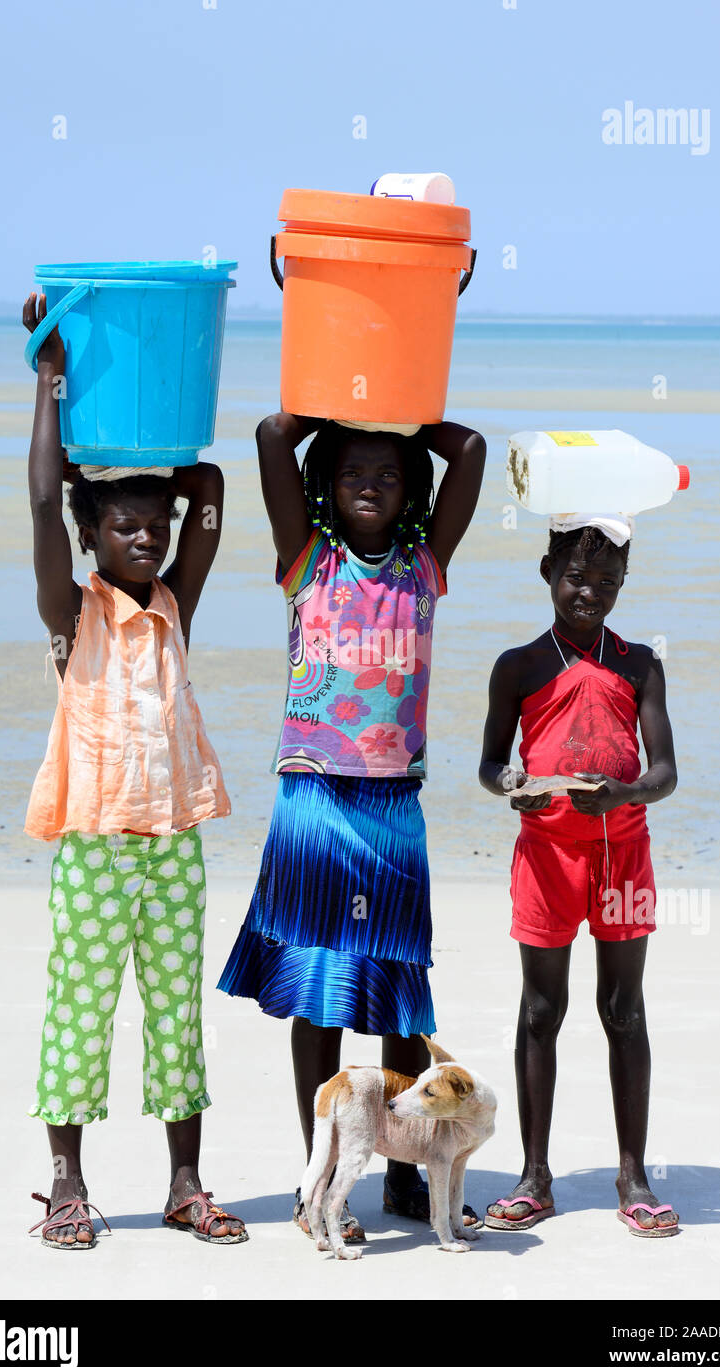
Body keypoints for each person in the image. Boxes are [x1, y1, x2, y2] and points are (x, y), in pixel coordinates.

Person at [218, 413, 485, 1240]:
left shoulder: (424, 563)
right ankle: (320, 1175)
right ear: (325, 485)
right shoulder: (308, 559)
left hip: (392, 804)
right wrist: (331, 405)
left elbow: (470, 451)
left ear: (411, 495)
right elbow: (270, 438)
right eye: (352, 471)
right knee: (321, 992)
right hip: (315, 799)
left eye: (389, 474)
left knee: (399, 993)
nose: (369, 484)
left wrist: (406, 405)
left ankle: (406, 1173)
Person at [22, 292, 246, 1249]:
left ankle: (185, 1183)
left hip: (173, 851)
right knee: (79, 1011)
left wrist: (164, 444)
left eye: (155, 525)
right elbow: (41, 498)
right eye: (124, 526)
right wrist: (53, 380)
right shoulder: (71, 615)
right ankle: (68, 1185)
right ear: (92, 535)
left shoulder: (174, 608)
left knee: (175, 1017)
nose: (147, 537)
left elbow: (216, 490)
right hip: (94, 853)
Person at [479, 518, 680, 1237]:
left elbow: (663, 772)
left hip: (620, 853)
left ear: (622, 584)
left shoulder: (640, 665)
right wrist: (511, 785)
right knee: (541, 1011)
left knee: (623, 1010)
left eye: (605, 581)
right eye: (575, 577)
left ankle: (633, 1175)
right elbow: (490, 764)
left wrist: (624, 795)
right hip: (546, 856)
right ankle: (534, 1176)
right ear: (546, 573)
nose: (588, 592)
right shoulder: (519, 666)